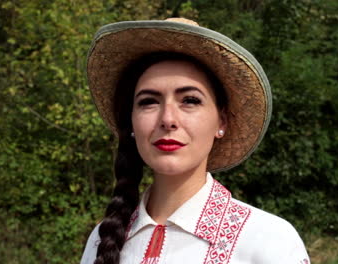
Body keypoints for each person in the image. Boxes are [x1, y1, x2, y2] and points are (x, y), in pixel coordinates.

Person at [81, 18, 310, 264]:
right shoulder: (101, 240)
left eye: (190, 100)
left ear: (221, 122)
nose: (168, 119)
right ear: (132, 123)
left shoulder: (268, 240)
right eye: (149, 101)